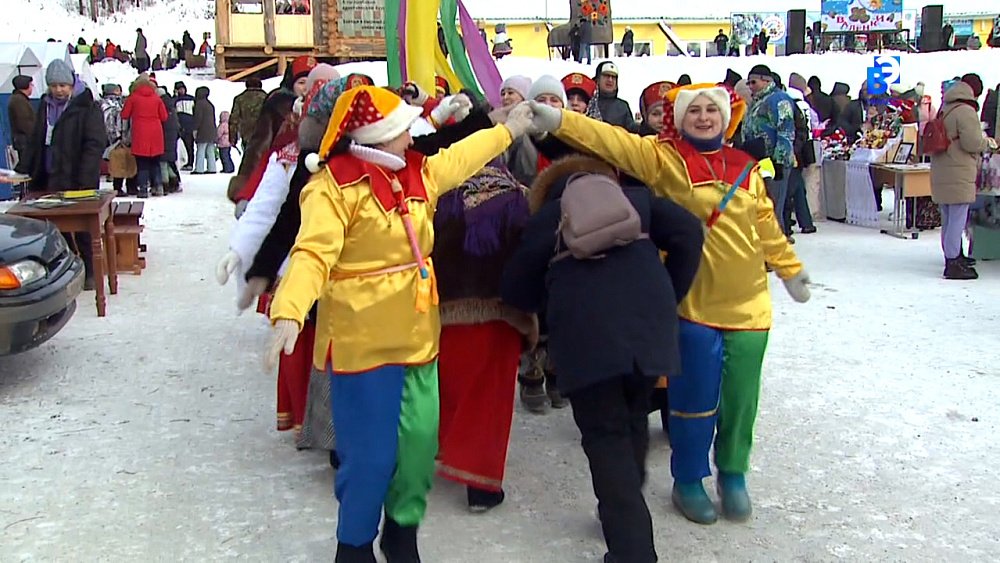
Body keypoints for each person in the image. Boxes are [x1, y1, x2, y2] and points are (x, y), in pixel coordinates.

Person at [263, 85, 535, 562]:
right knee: (370, 458)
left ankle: (402, 532)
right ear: (378, 135)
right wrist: (289, 309)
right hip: (362, 344)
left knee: (418, 448)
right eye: (403, 129)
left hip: (419, 338)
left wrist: (508, 130)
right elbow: (312, 253)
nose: (412, 136)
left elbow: (462, 156)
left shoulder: (417, 172)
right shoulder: (332, 188)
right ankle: (354, 546)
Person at [524, 81, 810, 526]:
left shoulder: (747, 167)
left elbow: (766, 226)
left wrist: (790, 269)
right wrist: (561, 120)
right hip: (691, 304)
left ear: (725, 117)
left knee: (741, 401)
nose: (703, 117)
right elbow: (609, 140)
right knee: (694, 400)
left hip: (750, 303)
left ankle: (733, 473)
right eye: (693, 110)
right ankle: (689, 478)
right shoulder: (662, 158)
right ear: (679, 118)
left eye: (711, 110)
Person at [501, 153, 704, 563]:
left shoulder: (548, 219)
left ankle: (632, 551)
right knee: (633, 415)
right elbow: (689, 231)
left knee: (606, 438)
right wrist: (669, 293)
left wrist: (551, 302)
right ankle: (626, 498)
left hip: (586, 338)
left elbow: (515, 289)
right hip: (649, 328)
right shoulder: (638, 201)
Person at [16, 59, 107, 290]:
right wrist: (25, 168)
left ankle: (90, 271)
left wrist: (86, 178)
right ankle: (70, 266)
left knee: (84, 228)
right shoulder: (45, 106)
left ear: (72, 84)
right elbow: (36, 140)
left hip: (78, 176)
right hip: (50, 174)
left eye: (63, 85)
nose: (58, 90)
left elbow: (94, 144)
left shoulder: (87, 107)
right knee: (55, 226)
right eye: (54, 85)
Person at [931, 79, 996, 280]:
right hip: (959, 170)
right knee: (958, 218)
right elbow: (972, 143)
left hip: (943, 169)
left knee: (949, 218)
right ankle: (953, 263)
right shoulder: (966, 111)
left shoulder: (946, 108)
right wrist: (989, 143)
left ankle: (953, 256)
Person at [741, 65, 797, 234]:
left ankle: (777, 241)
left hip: (773, 161)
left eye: (753, 82)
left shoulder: (779, 99)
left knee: (773, 205)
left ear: (766, 80)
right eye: (748, 83)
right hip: (757, 160)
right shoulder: (757, 101)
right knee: (760, 205)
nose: (750, 86)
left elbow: (785, 131)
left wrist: (779, 159)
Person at [122, 74, 168, 198]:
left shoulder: (133, 98)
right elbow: (164, 117)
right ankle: (158, 187)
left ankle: (143, 189)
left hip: (140, 132)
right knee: (155, 162)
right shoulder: (157, 98)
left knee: (142, 164)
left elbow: (124, 115)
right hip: (156, 133)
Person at [590, 62, 637, 131]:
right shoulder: (588, 103)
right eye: (606, 76)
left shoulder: (623, 107)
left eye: (613, 77)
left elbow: (631, 132)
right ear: (597, 80)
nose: (610, 80)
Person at [229, 78, 268, 152]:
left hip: (247, 135)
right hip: (265, 134)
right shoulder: (267, 98)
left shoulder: (239, 99)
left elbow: (234, 120)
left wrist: (232, 138)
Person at [158, 86, 182, 193]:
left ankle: (165, 184)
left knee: (163, 162)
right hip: (172, 137)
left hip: (163, 137)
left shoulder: (161, 106)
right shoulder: (171, 106)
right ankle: (175, 181)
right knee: (169, 162)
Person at [7, 75, 35, 163]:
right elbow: (25, 123)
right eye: (31, 85)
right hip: (25, 142)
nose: (32, 87)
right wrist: (36, 135)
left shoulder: (19, 99)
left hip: (23, 141)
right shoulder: (19, 101)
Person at [192, 86, 218, 174]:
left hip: (202, 130)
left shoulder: (199, 104)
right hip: (211, 130)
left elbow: (198, 118)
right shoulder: (210, 104)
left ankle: (199, 169)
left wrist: (195, 129)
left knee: (201, 149)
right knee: (210, 150)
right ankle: (212, 168)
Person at [174, 82, 196, 170]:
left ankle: (190, 163)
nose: (181, 91)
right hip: (179, 125)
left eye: (182, 89)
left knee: (189, 146)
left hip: (188, 125)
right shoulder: (175, 100)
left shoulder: (191, 99)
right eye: (179, 89)